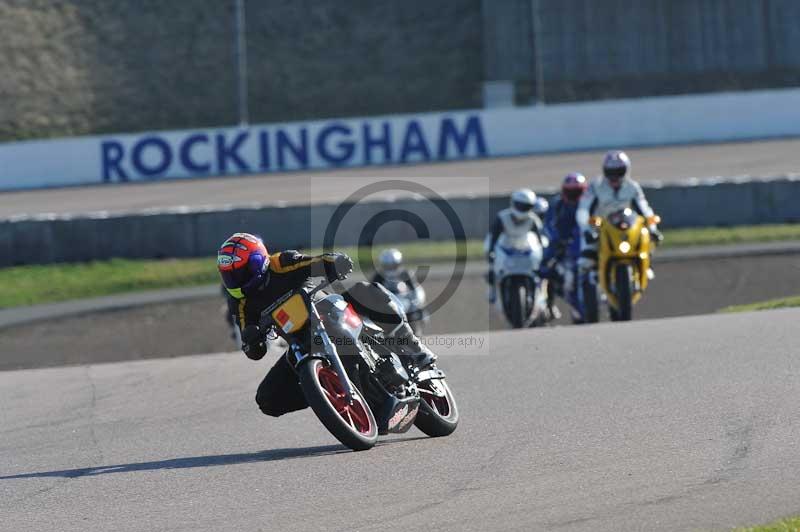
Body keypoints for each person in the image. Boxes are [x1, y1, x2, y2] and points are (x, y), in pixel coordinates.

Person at [218, 232, 436, 418]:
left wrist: (333, 262)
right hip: (300, 344)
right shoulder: (239, 301)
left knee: (367, 291)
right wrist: (251, 340)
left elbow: (314, 261)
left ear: (258, 261)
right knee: (267, 400)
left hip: (328, 312)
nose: (236, 279)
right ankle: (326, 393)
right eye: (230, 275)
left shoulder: (280, 263)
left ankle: (414, 348)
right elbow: (251, 344)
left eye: (241, 271)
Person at [576, 150, 663, 277]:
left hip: (626, 226)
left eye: (618, 172)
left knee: (646, 238)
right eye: (611, 172)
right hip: (601, 228)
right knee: (585, 262)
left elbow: (644, 208)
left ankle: (645, 264)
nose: (614, 176)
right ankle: (593, 280)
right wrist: (586, 229)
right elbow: (583, 210)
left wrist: (652, 228)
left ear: (626, 170)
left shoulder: (632, 187)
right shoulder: (595, 187)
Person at [483, 188, 544, 303]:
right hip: (505, 247)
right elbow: (493, 237)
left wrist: (543, 252)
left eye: (525, 206)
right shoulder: (502, 217)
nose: (522, 209)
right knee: (493, 269)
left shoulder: (533, 220)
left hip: (525, 247)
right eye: (520, 205)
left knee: (542, 273)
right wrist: (491, 251)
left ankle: (541, 296)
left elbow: (540, 239)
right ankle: (492, 291)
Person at [540, 173, 588, 318]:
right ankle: (549, 306)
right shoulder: (557, 204)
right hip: (562, 244)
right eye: (570, 191)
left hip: (586, 243)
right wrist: (557, 239)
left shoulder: (590, 203)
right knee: (544, 269)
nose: (573, 195)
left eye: (577, 191)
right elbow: (548, 225)